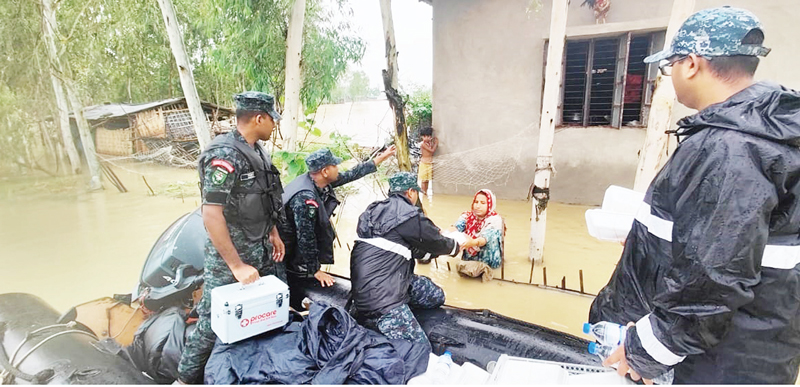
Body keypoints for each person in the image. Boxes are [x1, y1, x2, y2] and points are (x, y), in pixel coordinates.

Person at [589, 7, 800, 384]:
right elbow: (732, 244)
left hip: (712, 366)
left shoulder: (732, 147)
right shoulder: (760, 136)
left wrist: (645, 353)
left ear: (690, 64)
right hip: (745, 353)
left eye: (669, 67)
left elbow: (715, 277)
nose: (670, 77)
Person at [177, 91, 286, 384]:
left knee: (265, 312)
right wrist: (236, 266)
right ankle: (185, 378)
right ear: (259, 118)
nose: (274, 126)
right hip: (230, 256)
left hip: (260, 246)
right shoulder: (224, 156)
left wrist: (273, 232)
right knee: (213, 320)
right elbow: (212, 214)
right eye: (272, 120)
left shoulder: (257, 151)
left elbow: (265, 198)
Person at [349, 172, 463, 344]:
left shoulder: (372, 211)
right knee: (418, 349)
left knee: (436, 296)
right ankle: (391, 315)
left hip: (378, 284)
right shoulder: (408, 214)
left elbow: (417, 250)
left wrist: (436, 244)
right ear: (411, 192)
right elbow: (437, 242)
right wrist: (458, 244)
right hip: (381, 298)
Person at [279, 146, 396, 303]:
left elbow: (351, 174)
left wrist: (382, 157)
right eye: (334, 166)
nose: (338, 169)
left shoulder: (316, 180)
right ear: (325, 171)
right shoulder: (305, 197)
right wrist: (315, 271)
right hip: (285, 250)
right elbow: (306, 237)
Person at [452, 189, 503, 270]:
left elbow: (484, 239)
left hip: (489, 262)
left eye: (483, 203)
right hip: (469, 261)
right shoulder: (467, 216)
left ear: (490, 205)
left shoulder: (495, 220)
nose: (478, 206)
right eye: (476, 202)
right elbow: (456, 228)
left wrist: (472, 242)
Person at [417, 127, 437, 195]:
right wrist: (436, 144)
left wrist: (433, 142)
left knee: (428, 180)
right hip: (424, 164)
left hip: (429, 163)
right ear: (422, 137)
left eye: (429, 136)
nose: (428, 138)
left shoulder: (429, 143)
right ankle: (423, 193)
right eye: (426, 136)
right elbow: (432, 151)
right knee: (424, 180)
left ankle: (426, 193)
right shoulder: (423, 144)